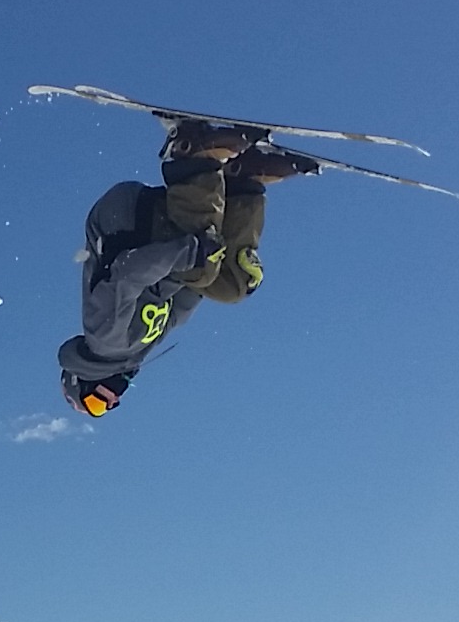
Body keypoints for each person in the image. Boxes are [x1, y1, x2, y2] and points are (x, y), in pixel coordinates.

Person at [58, 121, 316, 415]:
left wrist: (189, 254)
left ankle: (191, 151)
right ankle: (242, 180)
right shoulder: (135, 351)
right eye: (108, 408)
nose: (113, 401)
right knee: (230, 286)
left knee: (199, 263)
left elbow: (126, 275)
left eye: (97, 403)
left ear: (86, 379)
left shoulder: (103, 340)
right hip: (154, 246)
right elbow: (183, 302)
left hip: (125, 221)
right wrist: (222, 270)